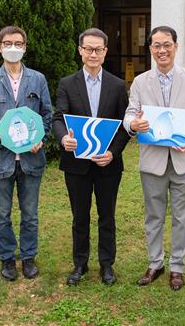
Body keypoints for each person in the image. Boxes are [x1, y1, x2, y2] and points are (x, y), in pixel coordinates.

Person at [124, 25, 185, 291]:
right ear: (150, 49)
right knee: (154, 215)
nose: (162, 50)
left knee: (182, 216)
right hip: (153, 160)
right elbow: (130, 113)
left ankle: (177, 267)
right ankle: (155, 263)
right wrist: (134, 125)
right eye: (156, 45)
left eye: (167, 44)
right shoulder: (140, 81)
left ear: (176, 46)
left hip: (183, 158)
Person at [53, 28, 130, 286]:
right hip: (76, 164)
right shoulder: (67, 83)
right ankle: (80, 264)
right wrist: (64, 138)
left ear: (106, 52)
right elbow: (58, 118)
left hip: (108, 163)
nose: (93, 54)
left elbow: (124, 126)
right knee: (80, 216)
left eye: (98, 49)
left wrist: (113, 152)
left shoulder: (118, 85)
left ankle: (107, 265)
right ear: (80, 51)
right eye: (88, 49)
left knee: (107, 215)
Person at [0, 26, 52, 282]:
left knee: (30, 214)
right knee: (1, 214)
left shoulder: (38, 79)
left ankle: (28, 257)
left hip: (31, 159)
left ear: (25, 47)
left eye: (18, 43)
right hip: (1, 160)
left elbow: (47, 116)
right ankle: (8, 258)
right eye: (7, 43)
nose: (13, 47)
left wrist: (40, 138)